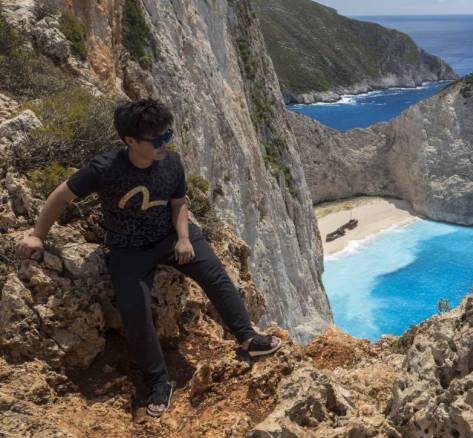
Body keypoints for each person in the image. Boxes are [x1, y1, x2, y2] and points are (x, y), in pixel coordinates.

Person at [15, 99, 283, 417]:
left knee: (215, 275)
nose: (164, 145)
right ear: (130, 141)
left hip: (171, 236)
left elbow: (178, 203)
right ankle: (158, 382)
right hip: (128, 248)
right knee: (134, 309)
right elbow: (60, 197)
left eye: (167, 135)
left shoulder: (171, 163)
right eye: (157, 140)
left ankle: (248, 337)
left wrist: (184, 238)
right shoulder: (106, 169)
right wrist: (37, 235)